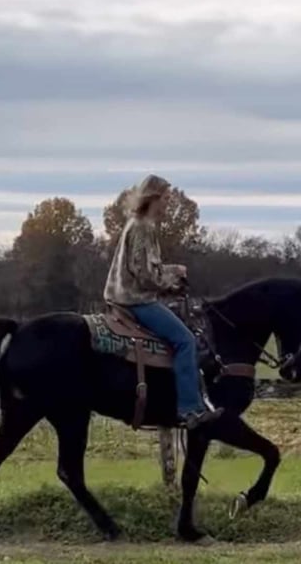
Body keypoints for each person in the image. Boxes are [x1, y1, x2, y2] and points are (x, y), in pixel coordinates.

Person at [103, 174, 223, 430]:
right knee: (185, 340)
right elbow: (143, 273)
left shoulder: (136, 224)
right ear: (154, 198)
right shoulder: (143, 227)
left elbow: (143, 269)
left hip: (124, 296)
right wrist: (173, 276)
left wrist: (171, 271)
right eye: (166, 198)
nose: (169, 204)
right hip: (135, 300)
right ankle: (189, 410)